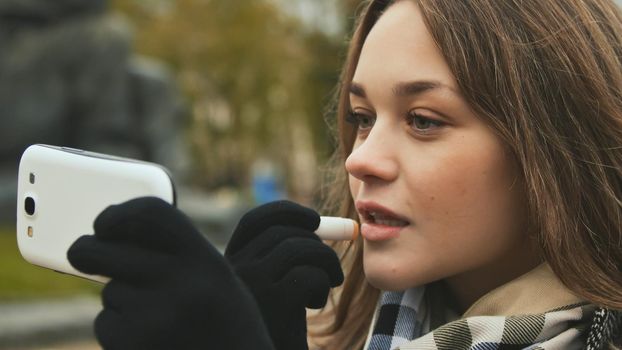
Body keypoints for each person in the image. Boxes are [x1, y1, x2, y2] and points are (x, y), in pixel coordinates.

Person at [67, 0, 622, 349]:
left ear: (555, 146)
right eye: (361, 118)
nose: (360, 158)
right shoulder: (339, 328)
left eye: (423, 120)